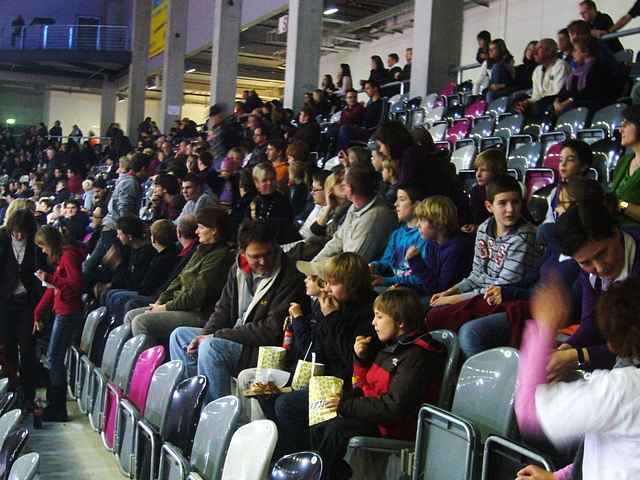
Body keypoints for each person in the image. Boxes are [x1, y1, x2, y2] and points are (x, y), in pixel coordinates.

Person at [310, 287, 446, 480]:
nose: (373, 323)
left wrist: (346, 405)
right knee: (320, 417)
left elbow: (394, 408)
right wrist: (361, 360)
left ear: (400, 321)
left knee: (336, 430)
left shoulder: (417, 355)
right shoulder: (393, 347)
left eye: (379, 317)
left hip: (395, 427)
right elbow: (364, 388)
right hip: (377, 417)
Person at [515, 276, 640, 480]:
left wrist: (545, 327)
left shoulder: (622, 388)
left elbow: (530, 412)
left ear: (612, 345)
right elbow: (619, 450)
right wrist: (559, 477)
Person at [169, 220, 306, 403]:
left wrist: (215, 336)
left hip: (262, 350)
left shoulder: (290, 277)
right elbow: (223, 309)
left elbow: (270, 330)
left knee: (211, 348)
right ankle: (192, 404)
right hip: (238, 337)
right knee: (180, 336)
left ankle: (220, 417)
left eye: (268, 254)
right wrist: (206, 334)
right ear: (243, 253)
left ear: (275, 247)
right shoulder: (238, 269)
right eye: (256, 257)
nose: (264, 261)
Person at [261, 253, 377, 461]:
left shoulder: (370, 312)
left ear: (351, 285)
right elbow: (317, 350)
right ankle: (291, 459)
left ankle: (309, 461)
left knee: (286, 406)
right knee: (267, 395)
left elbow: (350, 360)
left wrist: (331, 317)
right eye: (327, 282)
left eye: (333, 283)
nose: (327, 288)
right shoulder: (330, 303)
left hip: (349, 387)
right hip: (323, 376)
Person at [427, 175, 538, 331]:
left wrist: (455, 299)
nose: (510, 209)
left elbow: (503, 287)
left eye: (515, 202)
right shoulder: (483, 229)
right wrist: (449, 292)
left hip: (507, 298)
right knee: (430, 310)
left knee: (438, 316)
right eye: (502, 203)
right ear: (489, 206)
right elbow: (477, 275)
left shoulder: (524, 236)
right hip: (482, 295)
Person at [125, 208, 234, 343]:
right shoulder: (201, 249)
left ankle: (150, 363)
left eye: (200, 227)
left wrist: (165, 308)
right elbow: (179, 279)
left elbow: (196, 295)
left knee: (141, 322)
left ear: (214, 230)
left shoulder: (221, 256)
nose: (196, 232)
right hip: (180, 305)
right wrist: (161, 301)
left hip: (198, 313)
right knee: (130, 316)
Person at [33, 225, 84, 422]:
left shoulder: (68, 256)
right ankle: (54, 405)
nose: (43, 251)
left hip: (68, 313)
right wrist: (38, 312)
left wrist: (51, 278)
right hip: (62, 311)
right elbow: (53, 288)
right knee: (54, 358)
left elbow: (76, 284)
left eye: (44, 246)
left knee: (55, 359)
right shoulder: (63, 257)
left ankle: (57, 407)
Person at [83, 152, 149, 281]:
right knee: (94, 266)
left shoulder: (127, 180)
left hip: (114, 228)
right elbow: (124, 211)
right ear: (143, 169)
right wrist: (134, 228)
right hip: (114, 229)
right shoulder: (130, 183)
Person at [0, 209, 42, 412]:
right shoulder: (3, 241)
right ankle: (11, 394)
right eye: (16, 232)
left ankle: (28, 396)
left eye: (22, 232)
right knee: (7, 348)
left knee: (27, 348)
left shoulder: (35, 245)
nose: (19, 235)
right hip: (5, 301)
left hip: (27, 302)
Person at [313, 165, 397, 263]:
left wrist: (321, 271)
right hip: (340, 267)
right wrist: (314, 265)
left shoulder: (376, 217)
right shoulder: (354, 207)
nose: (342, 186)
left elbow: (354, 262)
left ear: (350, 189)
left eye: (344, 184)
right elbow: (338, 239)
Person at [407, 195, 474, 300]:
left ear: (438, 222)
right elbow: (429, 281)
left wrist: (416, 263)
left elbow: (440, 290)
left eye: (422, 220)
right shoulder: (432, 243)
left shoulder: (457, 248)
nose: (417, 225)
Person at [369, 185, 428, 291]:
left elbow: (421, 278)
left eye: (402, 199)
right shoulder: (397, 234)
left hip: (412, 290)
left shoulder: (425, 236)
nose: (396, 204)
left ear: (417, 205)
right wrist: (374, 266)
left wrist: (386, 280)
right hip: (394, 285)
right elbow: (386, 262)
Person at [534, 139, 593, 224]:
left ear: (584, 166)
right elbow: (549, 221)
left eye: (570, 159)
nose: (563, 164)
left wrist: (564, 215)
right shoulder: (555, 192)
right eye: (561, 160)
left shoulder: (590, 192)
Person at [553, 35, 610, 115]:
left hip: (588, 103)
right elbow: (565, 90)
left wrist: (567, 102)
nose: (573, 54)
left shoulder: (597, 68)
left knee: (571, 108)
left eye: (575, 51)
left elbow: (588, 91)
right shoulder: (576, 70)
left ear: (585, 52)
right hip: (573, 102)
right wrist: (557, 101)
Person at [516, 39, 571, 117]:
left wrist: (533, 104)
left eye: (539, 49)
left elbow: (556, 93)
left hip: (555, 102)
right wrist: (527, 102)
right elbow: (535, 96)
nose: (534, 53)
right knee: (518, 106)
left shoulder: (560, 66)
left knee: (537, 107)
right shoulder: (537, 70)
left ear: (549, 51)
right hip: (540, 103)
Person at [462, 148, 508, 233]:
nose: (478, 174)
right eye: (476, 170)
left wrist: (478, 227)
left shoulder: (508, 190)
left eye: (483, 170)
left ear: (497, 171)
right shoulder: (475, 191)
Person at [610, 105, 640, 227]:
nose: (620, 130)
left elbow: (618, 203)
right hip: (615, 230)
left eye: (626, 124)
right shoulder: (624, 161)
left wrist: (620, 204)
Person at [338, 80, 384, 151]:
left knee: (344, 129)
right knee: (335, 129)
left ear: (375, 88)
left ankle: (344, 153)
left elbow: (372, 122)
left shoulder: (380, 103)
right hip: (362, 129)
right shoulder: (369, 105)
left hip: (369, 131)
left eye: (368, 88)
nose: (366, 91)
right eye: (365, 89)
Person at [485, 39, 514, 103]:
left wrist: (499, 86)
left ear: (500, 50)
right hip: (497, 91)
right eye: (489, 49)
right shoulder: (491, 64)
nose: (490, 51)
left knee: (489, 94)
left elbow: (512, 82)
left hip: (506, 92)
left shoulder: (503, 64)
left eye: (493, 49)